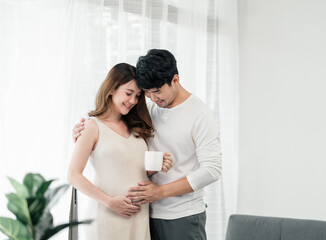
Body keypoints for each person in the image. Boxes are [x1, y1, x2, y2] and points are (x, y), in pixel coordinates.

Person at [73, 49, 222, 240]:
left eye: (157, 91)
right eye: (147, 93)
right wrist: (81, 131)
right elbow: (114, 137)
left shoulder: (201, 115)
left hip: (181, 215)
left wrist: (159, 192)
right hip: (144, 215)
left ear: (175, 80)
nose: (152, 98)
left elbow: (212, 170)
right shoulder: (149, 109)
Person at [67, 63, 173, 240]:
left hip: (139, 217)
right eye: (128, 93)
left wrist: (155, 168)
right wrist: (109, 202)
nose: (133, 101)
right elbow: (73, 175)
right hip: (107, 216)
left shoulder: (136, 128)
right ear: (111, 90)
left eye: (138, 96)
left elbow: (129, 169)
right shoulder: (92, 126)